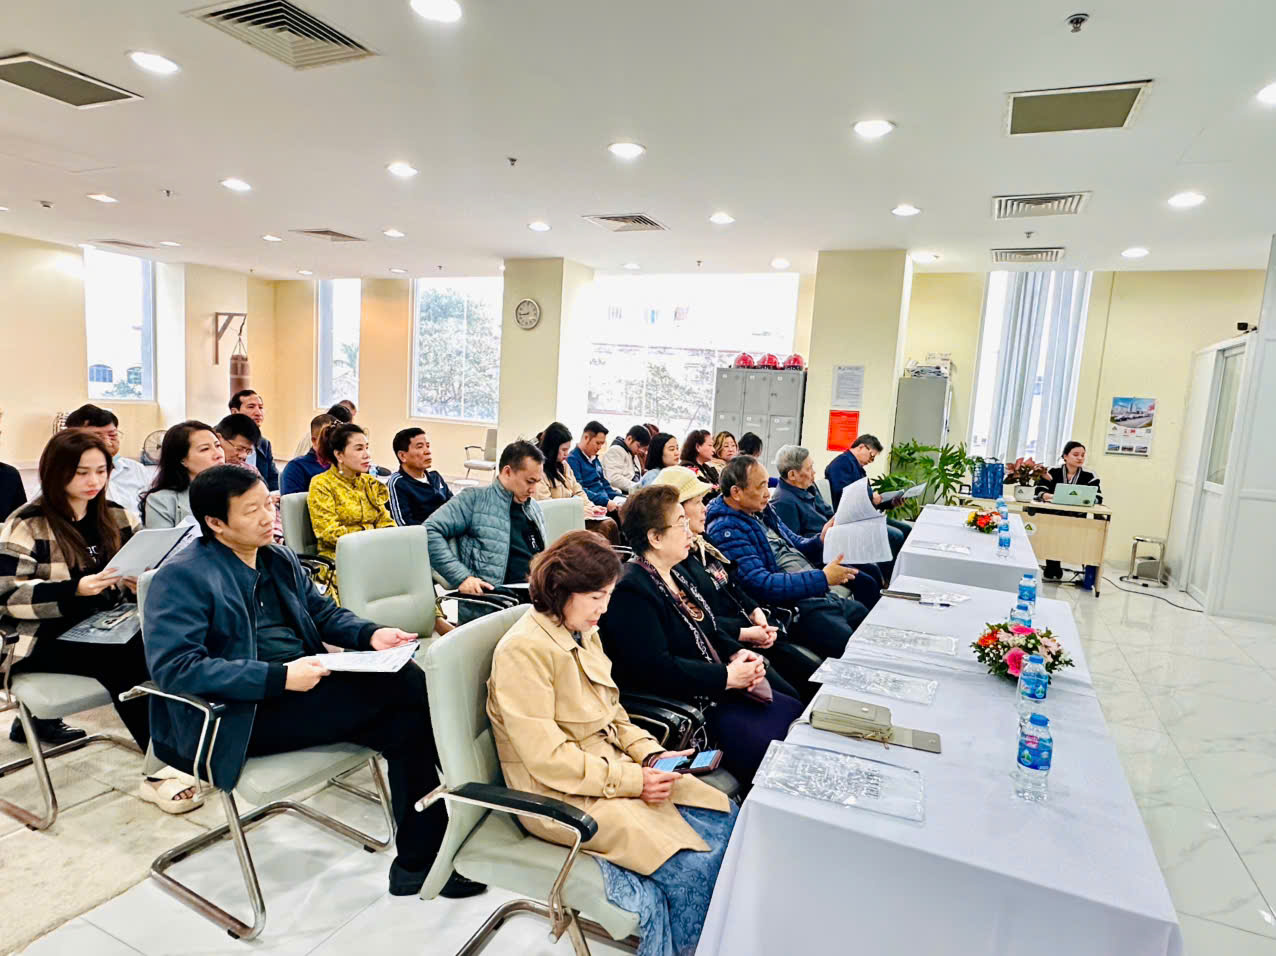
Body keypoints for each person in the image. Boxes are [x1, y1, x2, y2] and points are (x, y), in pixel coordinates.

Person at [142, 465, 484, 898]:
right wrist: (278, 677)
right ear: (216, 523)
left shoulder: (278, 558)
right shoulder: (182, 577)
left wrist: (370, 634)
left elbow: (323, 614)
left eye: (268, 504)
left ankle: (422, 862)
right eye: (251, 511)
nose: (268, 517)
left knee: (407, 723)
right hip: (236, 713)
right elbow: (177, 668)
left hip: (302, 683)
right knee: (410, 690)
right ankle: (477, 801)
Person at [487, 530, 736, 956]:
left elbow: (613, 712)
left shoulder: (582, 630)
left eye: (607, 595)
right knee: (693, 868)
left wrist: (651, 754)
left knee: (725, 816)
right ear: (561, 591)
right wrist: (634, 780)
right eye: (595, 597)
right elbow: (548, 761)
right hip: (558, 796)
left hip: (608, 770)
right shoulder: (522, 652)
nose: (604, 608)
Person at [0, 430, 202, 812]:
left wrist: (141, 580)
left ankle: (192, 744)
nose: (93, 481)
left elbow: (147, 568)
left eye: (100, 471)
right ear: (56, 472)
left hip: (107, 621)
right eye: (81, 473)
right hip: (39, 636)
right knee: (126, 655)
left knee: (175, 635)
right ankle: (161, 771)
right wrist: (74, 590)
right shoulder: (27, 524)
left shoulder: (116, 516)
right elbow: (6, 595)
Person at [601, 485, 804, 786]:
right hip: (689, 705)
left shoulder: (675, 572)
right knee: (774, 747)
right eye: (680, 523)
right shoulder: (630, 590)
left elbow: (708, 627)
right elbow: (655, 669)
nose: (689, 531)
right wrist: (727, 676)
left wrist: (738, 653)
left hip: (713, 686)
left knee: (791, 710)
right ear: (655, 537)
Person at [655, 467, 819, 697]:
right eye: (698, 503)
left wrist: (755, 611)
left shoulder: (703, 542)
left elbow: (731, 583)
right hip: (728, 646)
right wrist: (745, 632)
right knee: (794, 696)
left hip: (747, 631)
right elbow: (702, 621)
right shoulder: (676, 561)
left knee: (813, 676)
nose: (704, 509)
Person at [706, 456, 870, 660]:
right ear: (736, 492)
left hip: (809, 589)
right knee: (850, 646)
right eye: (761, 486)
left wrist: (820, 540)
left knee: (863, 616)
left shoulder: (759, 511)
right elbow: (761, 584)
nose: (768, 493)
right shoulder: (726, 529)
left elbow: (795, 543)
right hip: (791, 605)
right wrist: (822, 578)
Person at [426, 441, 547, 618]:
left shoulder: (532, 508)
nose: (533, 490)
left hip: (532, 605)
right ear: (507, 472)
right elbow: (429, 531)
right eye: (529, 481)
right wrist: (462, 577)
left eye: (537, 482)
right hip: (491, 606)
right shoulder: (474, 500)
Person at [772, 444, 887, 585]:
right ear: (792, 475)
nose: (814, 472)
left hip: (833, 544)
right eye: (809, 469)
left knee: (873, 569)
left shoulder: (809, 487)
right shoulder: (783, 502)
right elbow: (794, 546)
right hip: (820, 556)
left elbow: (828, 513)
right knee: (867, 582)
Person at [307, 424, 393, 601]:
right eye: (359, 449)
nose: (367, 454)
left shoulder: (369, 483)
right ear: (339, 455)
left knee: (411, 568)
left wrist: (389, 542)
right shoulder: (322, 484)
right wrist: (370, 543)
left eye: (367, 448)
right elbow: (329, 532)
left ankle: (431, 616)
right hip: (340, 557)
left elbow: (385, 521)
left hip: (375, 552)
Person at [824, 434, 910, 557]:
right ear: (861, 447)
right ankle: (886, 570)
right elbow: (843, 493)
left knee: (906, 529)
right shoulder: (841, 464)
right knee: (896, 536)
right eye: (871, 456)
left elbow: (869, 499)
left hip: (864, 515)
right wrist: (870, 496)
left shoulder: (857, 467)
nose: (871, 461)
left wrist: (890, 502)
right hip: (850, 519)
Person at [534, 423, 620, 544]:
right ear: (552, 448)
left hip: (575, 515)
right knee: (606, 526)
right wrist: (579, 511)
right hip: (560, 522)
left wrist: (592, 508)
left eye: (568, 449)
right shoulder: (539, 471)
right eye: (563, 450)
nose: (566, 454)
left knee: (610, 523)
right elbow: (547, 508)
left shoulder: (564, 466)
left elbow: (578, 490)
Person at [63, 404, 150, 518]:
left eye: (112, 435)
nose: (107, 442)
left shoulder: (137, 469)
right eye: (97, 437)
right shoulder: (62, 472)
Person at [1037, 441, 1104, 586]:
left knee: (1076, 536)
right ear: (1065, 456)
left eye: (1083, 455)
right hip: (1052, 515)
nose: (1080, 458)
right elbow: (1039, 490)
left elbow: (1098, 497)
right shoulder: (1052, 472)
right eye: (1076, 454)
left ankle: (1086, 571)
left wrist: (1086, 499)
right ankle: (1052, 566)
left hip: (1076, 516)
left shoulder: (1089, 475)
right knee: (1052, 532)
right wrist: (1047, 496)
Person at [139, 421, 226, 528]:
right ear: (182, 460)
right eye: (205, 449)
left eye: (218, 445)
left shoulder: (236, 491)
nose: (218, 454)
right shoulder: (161, 501)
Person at [386, 427, 453, 525]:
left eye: (428, 446)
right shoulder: (397, 484)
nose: (428, 451)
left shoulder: (435, 477)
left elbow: (454, 507)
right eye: (420, 447)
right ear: (402, 456)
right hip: (425, 533)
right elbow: (403, 524)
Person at [568, 421, 625, 512]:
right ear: (586, 438)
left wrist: (623, 498)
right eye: (598, 443)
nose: (599, 447)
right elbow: (579, 490)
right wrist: (606, 502)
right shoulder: (572, 460)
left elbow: (605, 485)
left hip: (607, 503)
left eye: (602, 444)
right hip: (594, 507)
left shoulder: (594, 458)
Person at [228, 390, 277, 491]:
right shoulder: (218, 439)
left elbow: (273, 479)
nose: (258, 413)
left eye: (261, 407)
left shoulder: (264, 444)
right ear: (235, 412)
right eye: (251, 407)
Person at [281, 414, 337, 496]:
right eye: (326, 438)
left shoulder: (343, 465)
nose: (333, 444)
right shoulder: (296, 467)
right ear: (314, 440)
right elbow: (292, 502)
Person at [601, 425, 651, 495]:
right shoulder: (615, 450)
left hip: (632, 492)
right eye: (638, 446)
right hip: (620, 493)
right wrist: (638, 488)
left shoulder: (632, 453)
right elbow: (613, 478)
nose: (640, 450)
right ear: (629, 439)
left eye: (642, 448)